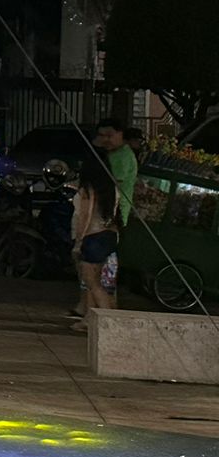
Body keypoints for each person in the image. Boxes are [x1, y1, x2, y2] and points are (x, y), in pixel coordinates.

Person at [70, 155, 118, 330]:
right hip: (109, 235)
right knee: (95, 281)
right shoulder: (111, 187)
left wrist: (79, 240)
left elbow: (86, 215)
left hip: (93, 236)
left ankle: (110, 320)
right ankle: (89, 319)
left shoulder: (88, 188)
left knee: (91, 282)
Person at [94, 117, 138, 226]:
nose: (105, 140)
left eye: (109, 135)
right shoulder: (111, 153)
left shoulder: (123, 156)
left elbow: (113, 184)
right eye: (101, 136)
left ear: (120, 134)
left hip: (113, 213)